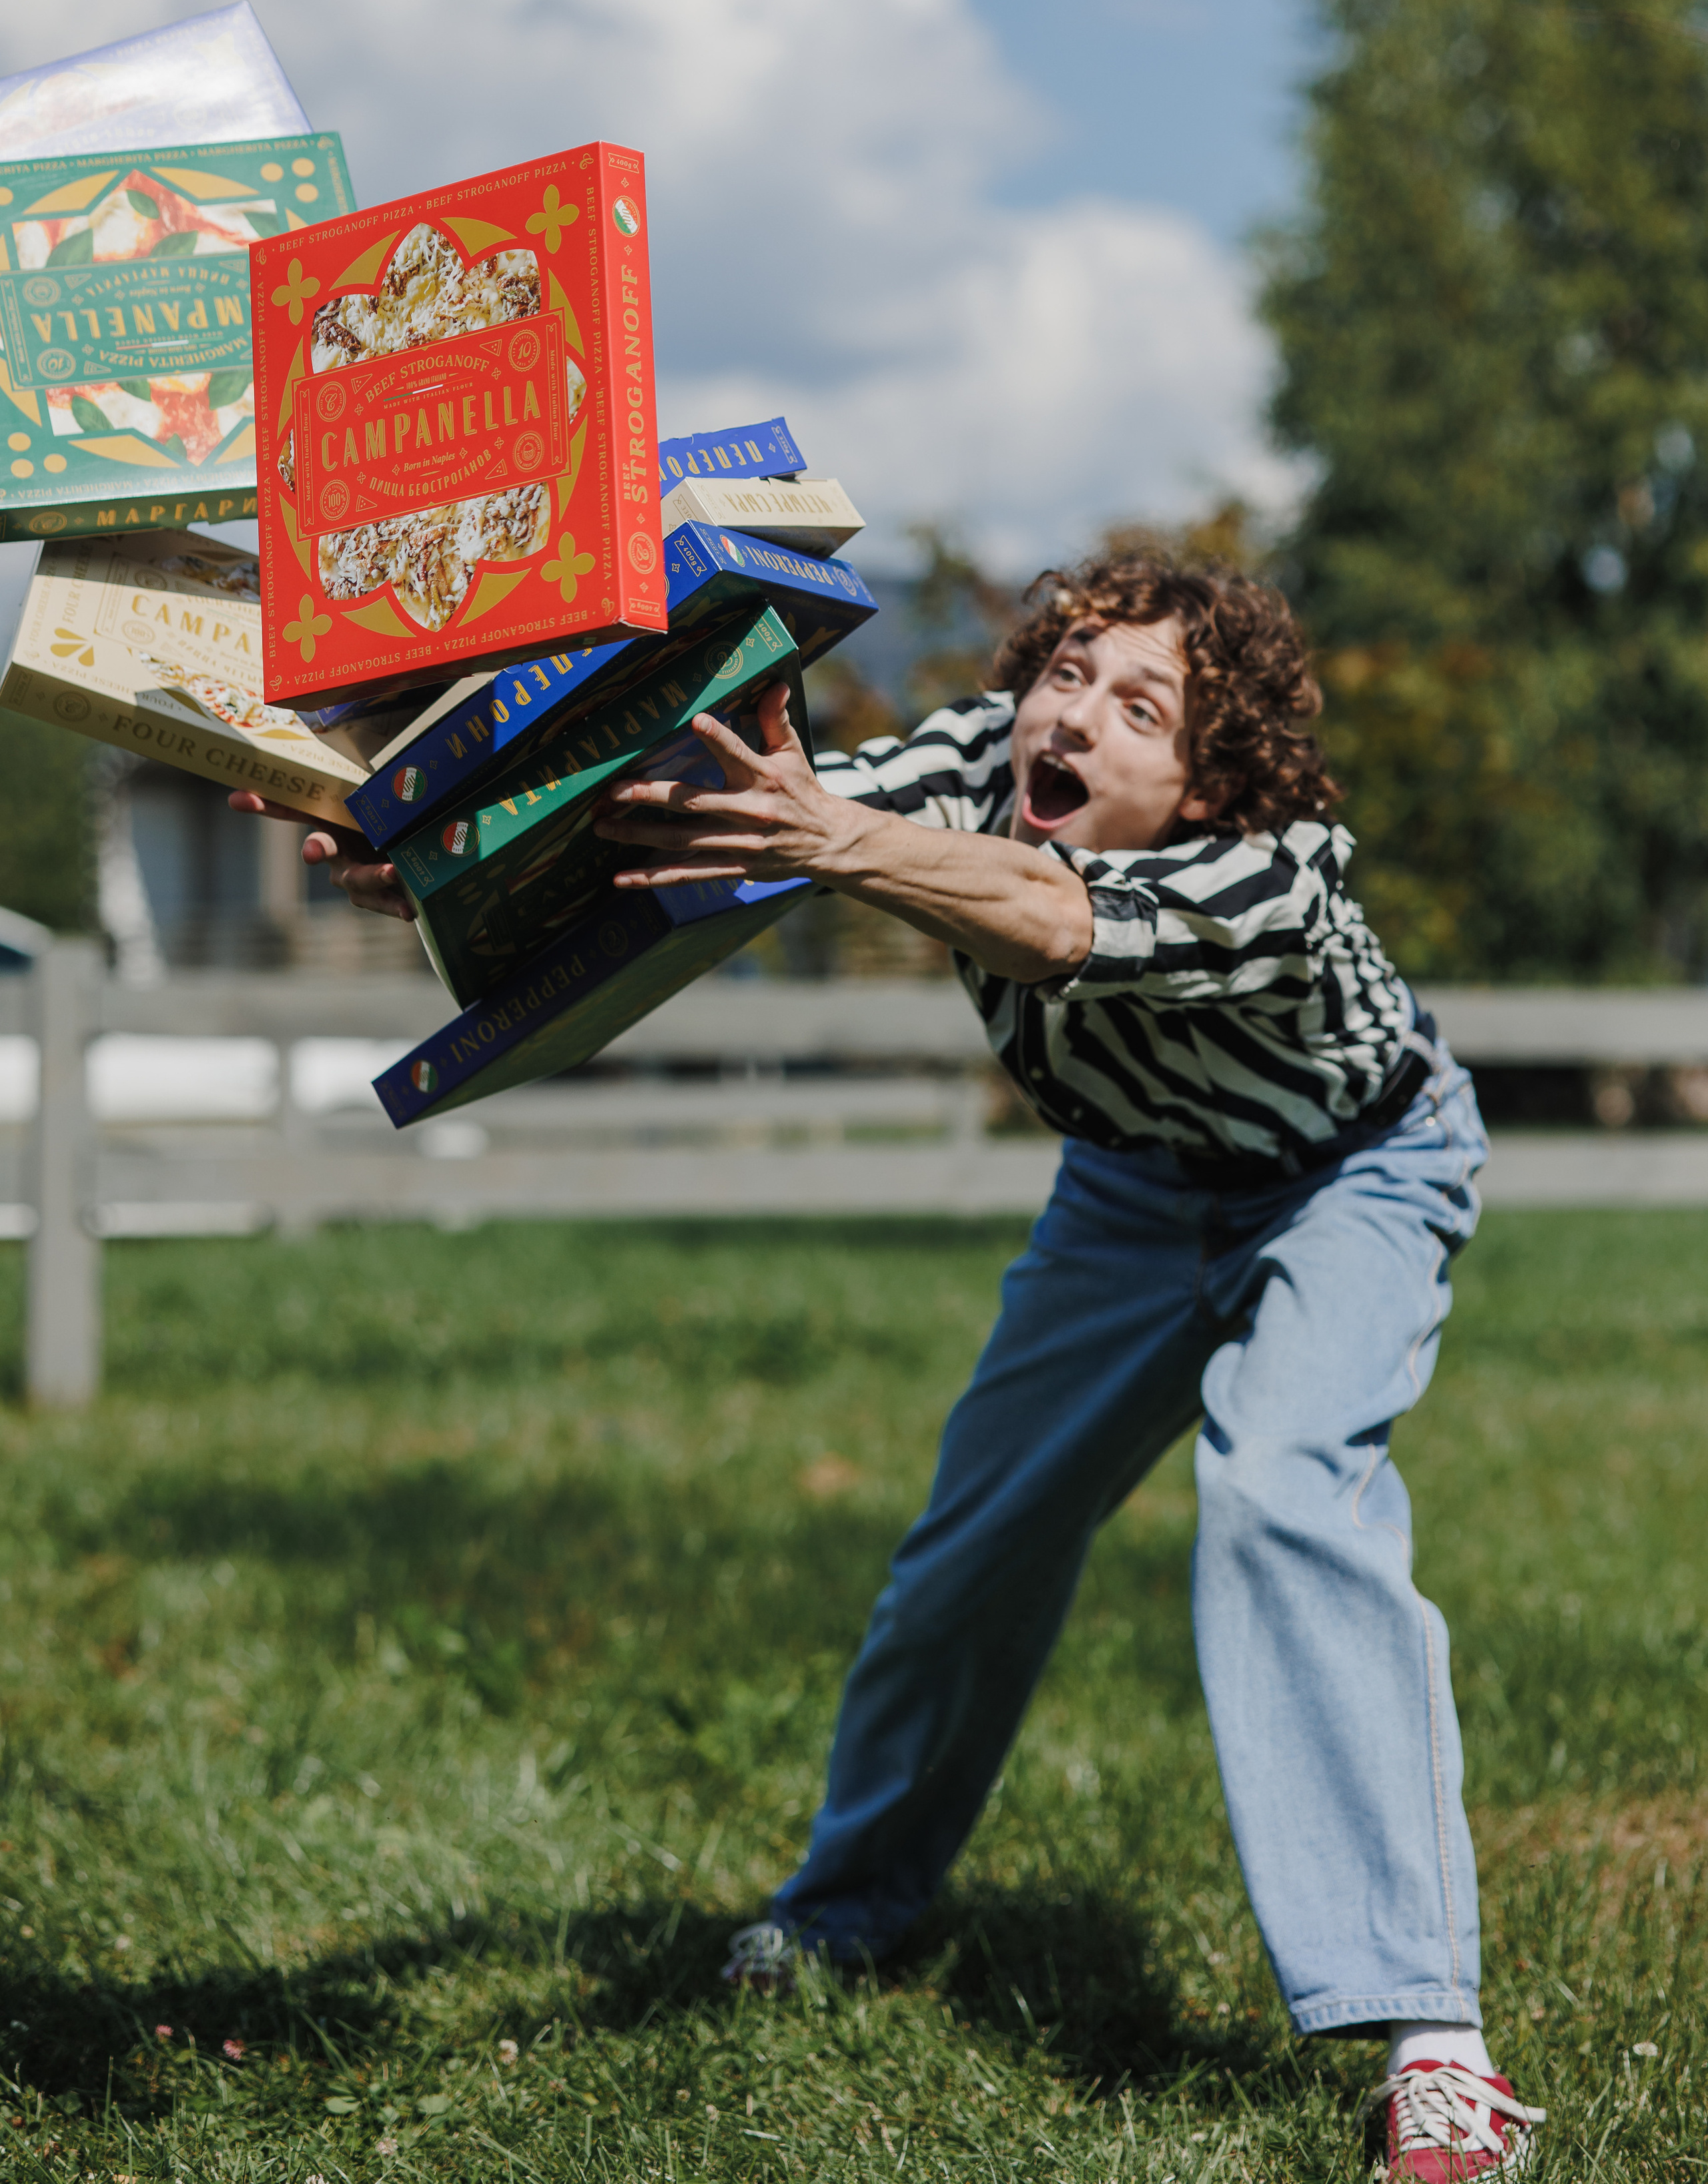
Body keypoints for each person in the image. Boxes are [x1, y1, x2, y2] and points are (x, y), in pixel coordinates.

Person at [236, 547, 1546, 2180]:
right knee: (966, 1559)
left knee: (1282, 1493)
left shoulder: (1279, 874)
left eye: (1136, 705)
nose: (1070, 713)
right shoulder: (969, 762)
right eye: (1063, 673)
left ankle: (1431, 2044)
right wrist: (437, 846)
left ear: (1205, 774)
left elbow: (1057, 920)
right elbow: (707, 814)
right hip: (1134, 1189)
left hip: (1346, 1176)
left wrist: (841, 842)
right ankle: (845, 1911)